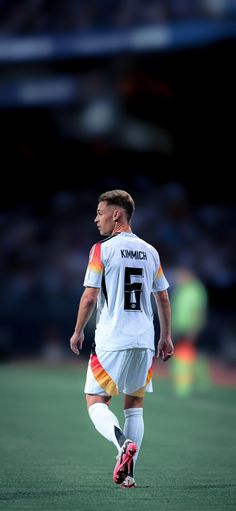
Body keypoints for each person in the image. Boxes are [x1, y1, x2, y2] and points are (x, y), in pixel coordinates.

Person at [70, 189, 174, 488]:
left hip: (112, 336)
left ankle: (120, 445)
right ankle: (128, 473)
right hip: (144, 338)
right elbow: (163, 298)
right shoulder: (151, 251)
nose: (96, 218)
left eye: (100, 212)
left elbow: (90, 296)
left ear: (117, 214)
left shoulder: (101, 250)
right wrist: (165, 335)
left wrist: (78, 330)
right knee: (134, 406)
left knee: (96, 401)